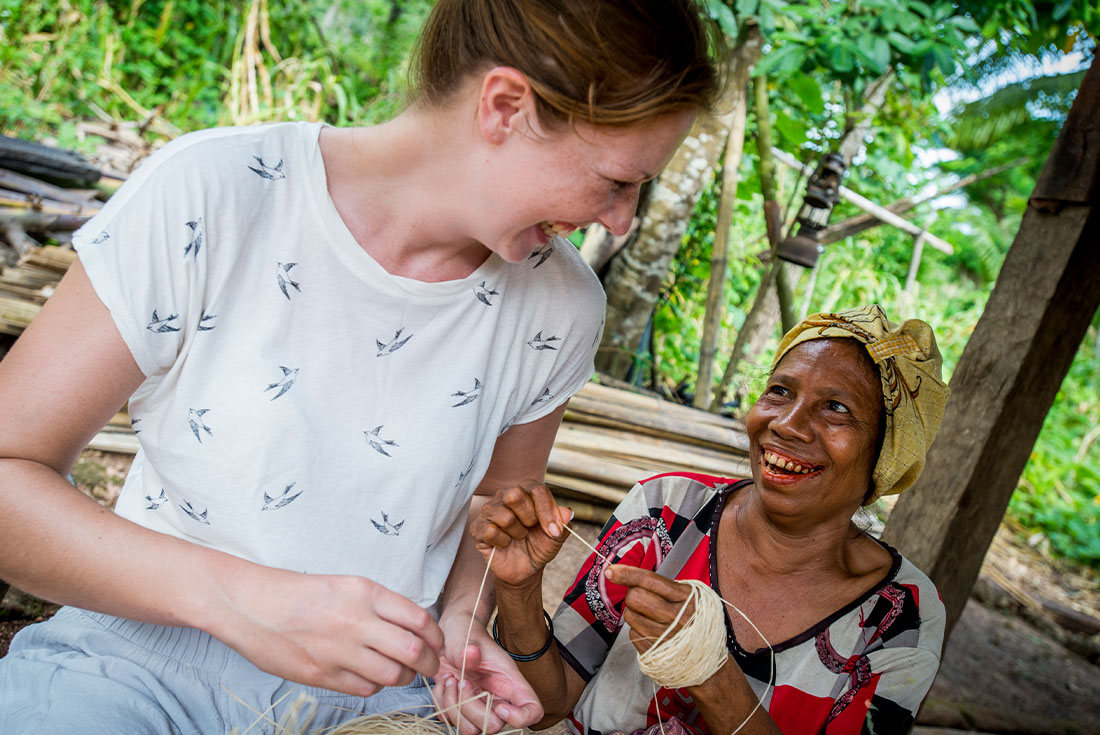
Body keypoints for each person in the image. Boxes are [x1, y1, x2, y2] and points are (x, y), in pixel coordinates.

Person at [0, 1, 724, 732]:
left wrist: (460, 626)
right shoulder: (214, 194)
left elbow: (493, 507)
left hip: (376, 699)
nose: (621, 220)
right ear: (506, 107)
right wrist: (240, 600)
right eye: (616, 181)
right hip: (134, 670)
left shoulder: (560, 306)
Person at [468, 304, 952, 735]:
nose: (786, 424)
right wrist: (519, 591)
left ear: (887, 455)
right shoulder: (667, 510)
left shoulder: (900, 616)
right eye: (779, 391)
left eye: (836, 408)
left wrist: (710, 672)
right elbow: (547, 707)